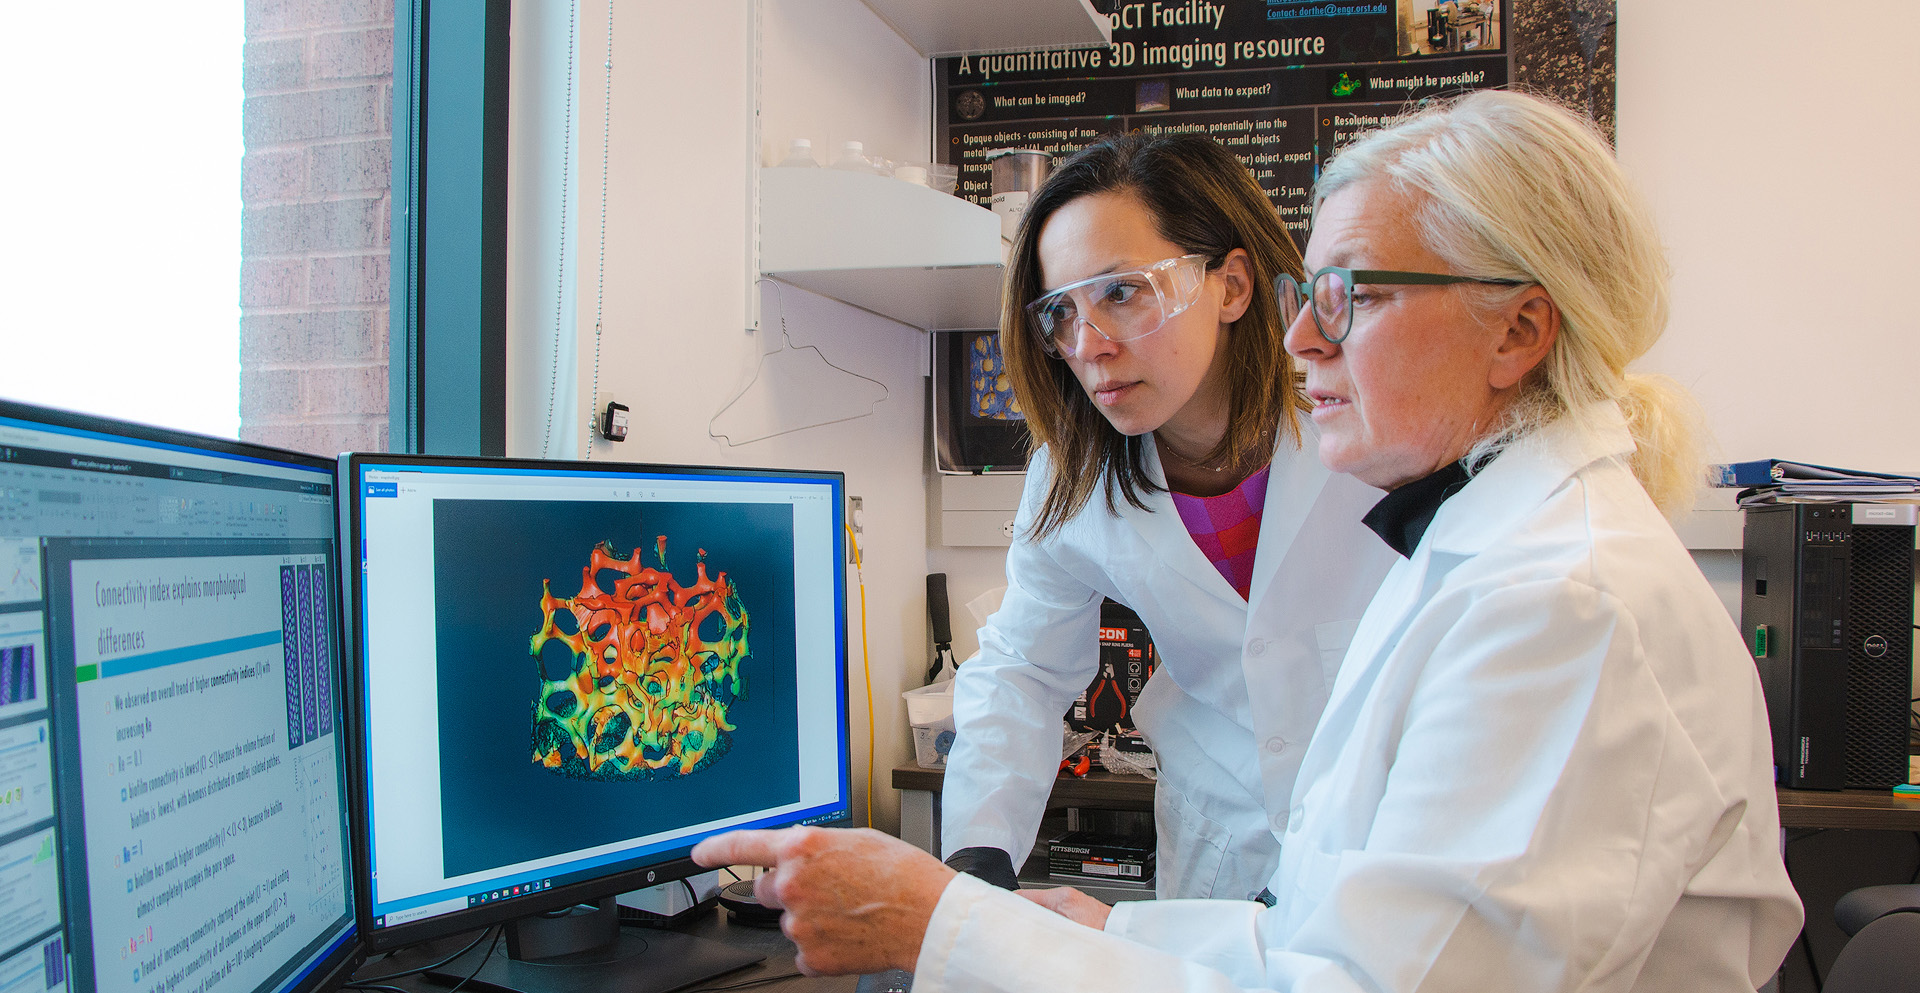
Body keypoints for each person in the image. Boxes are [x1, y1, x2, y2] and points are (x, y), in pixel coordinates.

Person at [695, 90, 1803, 991]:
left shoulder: (1549, 595)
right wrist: (1004, 893)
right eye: (1060, 312)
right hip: (1262, 856)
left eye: (1349, 298)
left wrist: (947, 927)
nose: (1306, 337)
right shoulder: (1472, 530)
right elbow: (1024, 673)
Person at [939, 132, 1399, 901]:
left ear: (1232, 286)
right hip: (1224, 840)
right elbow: (1022, 668)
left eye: (1122, 291)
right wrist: (977, 860)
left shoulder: (1367, 417)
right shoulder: (1075, 475)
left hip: (1384, 831)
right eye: (1061, 311)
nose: (1089, 346)